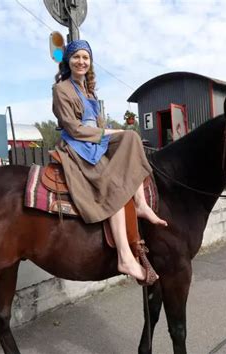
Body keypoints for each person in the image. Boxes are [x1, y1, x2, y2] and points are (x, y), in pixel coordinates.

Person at [52, 40, 167, 283]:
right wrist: (106, 134)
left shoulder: (89, 90)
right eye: (76, 57)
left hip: (93, 140)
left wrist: (110, 131)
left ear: (90, 62)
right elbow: (73, 128)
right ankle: (125, 256)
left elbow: (98, 124)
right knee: (112, 183)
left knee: (132, 138)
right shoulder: (61, 89)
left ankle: (140, 204)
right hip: (77, 144)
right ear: (68, 61)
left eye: (86, 57)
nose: (81, 61)